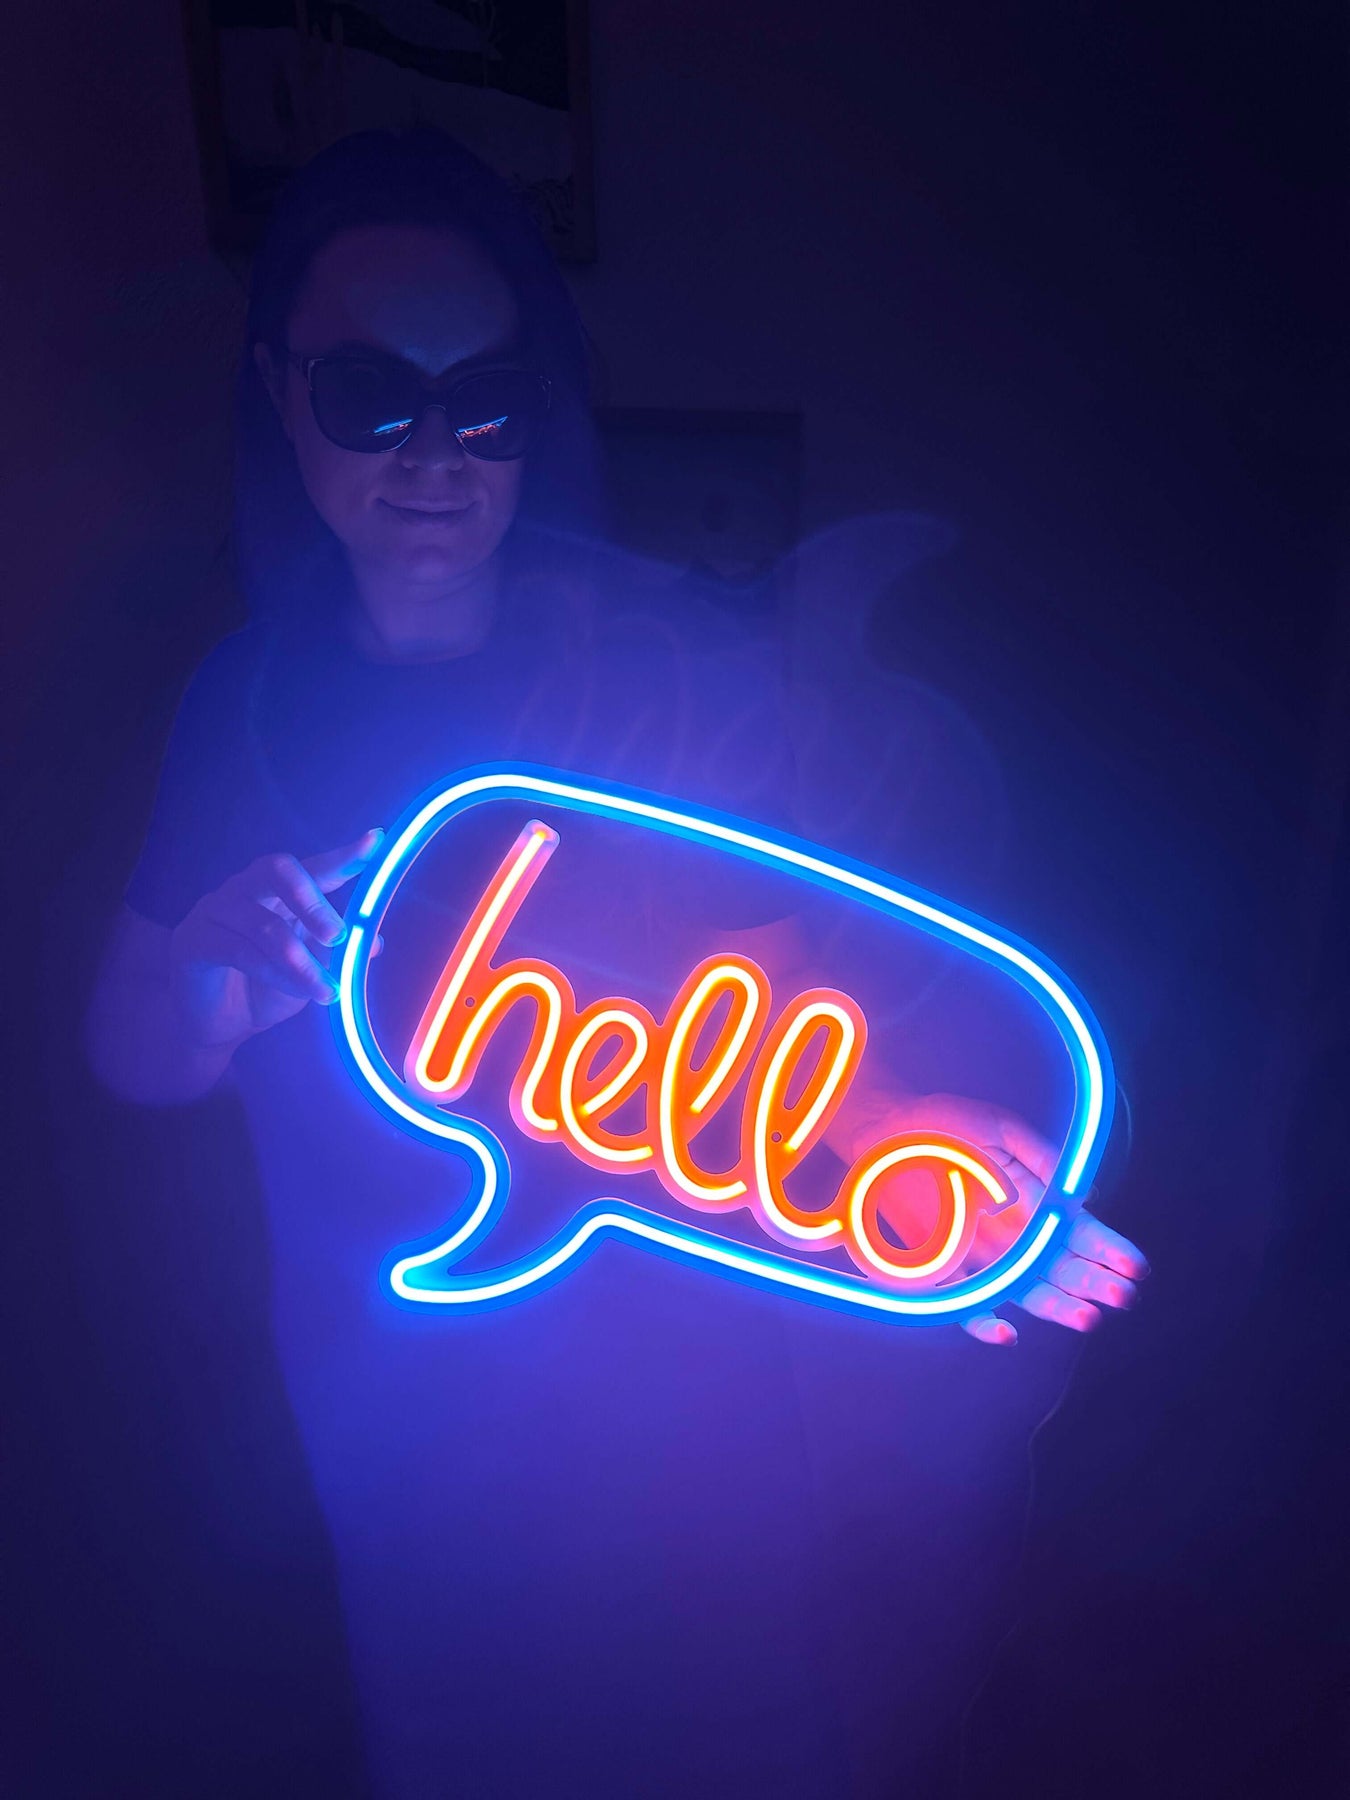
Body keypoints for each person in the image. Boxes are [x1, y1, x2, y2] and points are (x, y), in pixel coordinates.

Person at [87, 128, 1146, 1797]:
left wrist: (928, 1174)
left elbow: (781, 1014)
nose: (436, 454)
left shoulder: (657, 661)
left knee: (729, 1729)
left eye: (486, 400)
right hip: (396, 1411)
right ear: (282, 394)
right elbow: (132, 1052)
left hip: (680, 1390)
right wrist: (206, 999)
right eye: (371, 394)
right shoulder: (245, 700)